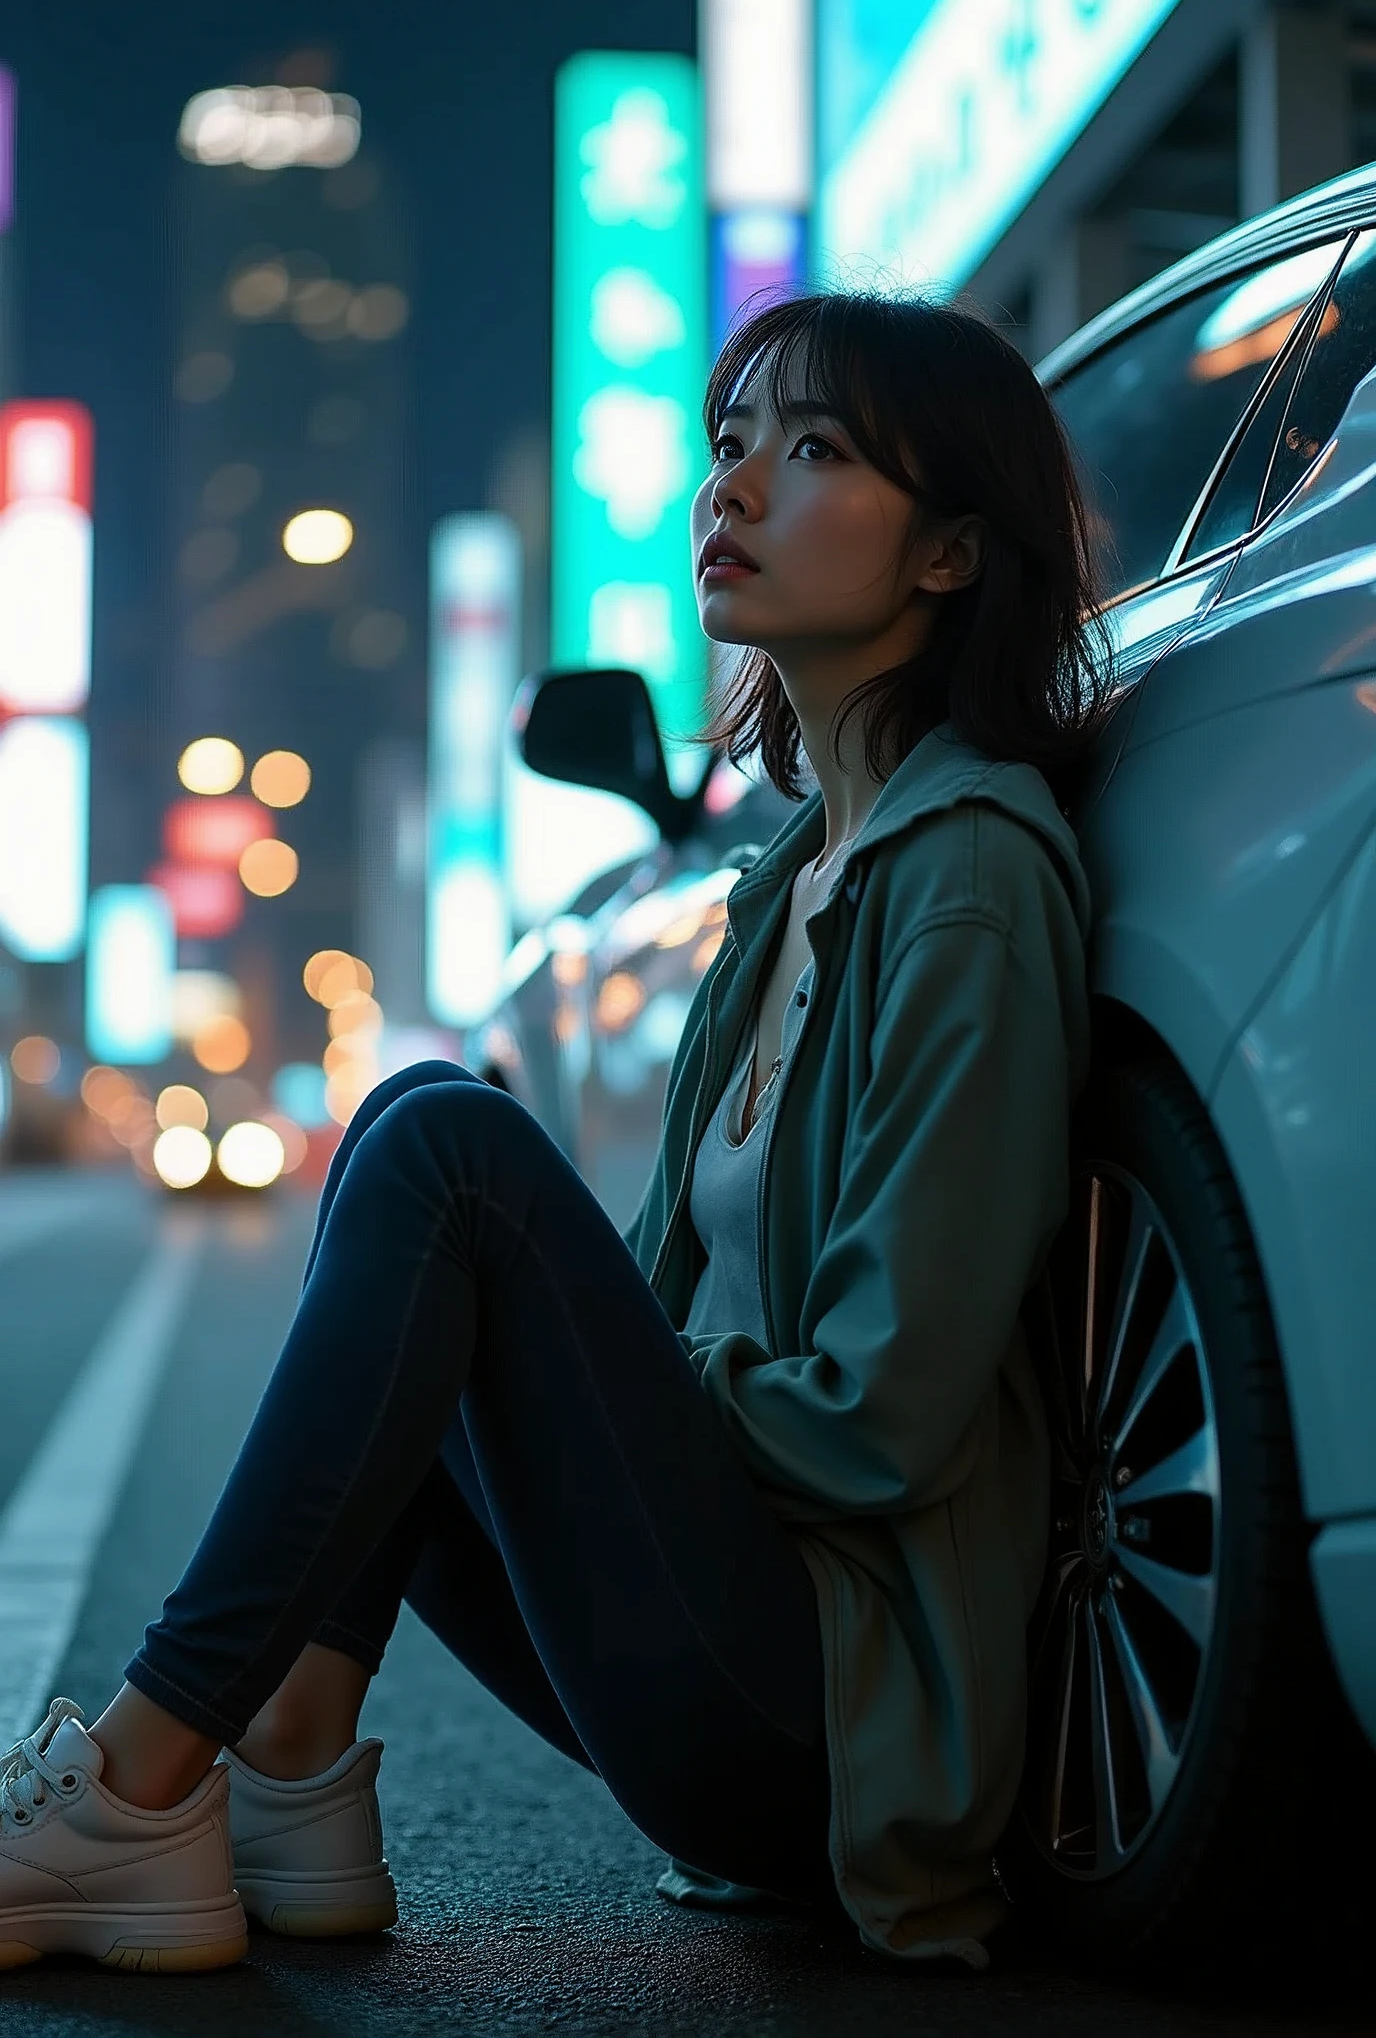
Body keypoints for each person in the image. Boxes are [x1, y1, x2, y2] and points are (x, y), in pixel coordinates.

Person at [0, 291, 1117, 1976]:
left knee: (451, 1151)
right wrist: (591, 1378)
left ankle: (141, 1784)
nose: (729, 490)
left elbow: (892, 1416)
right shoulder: (783, 891)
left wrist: (609, 1380)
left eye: (810, 451)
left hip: (836, 1715)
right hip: (729, 1653)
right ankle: (292, 1776)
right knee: (414, 1118)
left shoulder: (968, 881)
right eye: (729, 444)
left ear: (953, 553)